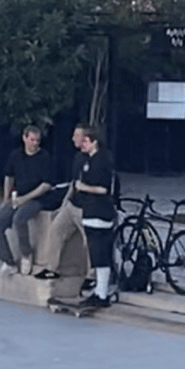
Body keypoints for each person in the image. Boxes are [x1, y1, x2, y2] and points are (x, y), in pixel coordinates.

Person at [34, 123, 91, 284]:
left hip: (87, 208)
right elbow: (74, 182)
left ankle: (91, 275)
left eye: (77, 136)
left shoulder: (97, 158)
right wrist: (64, 203)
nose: (73, 139)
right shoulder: (78, 157)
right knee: (55, 230)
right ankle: (52, 268)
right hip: (72, 204)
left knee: (90, 240)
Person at [0, 125, 52, 275]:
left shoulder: (45, 157)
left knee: (19, 219)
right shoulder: (16, 155)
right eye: (31, 140)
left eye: (37, 140)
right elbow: (9, 176)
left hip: (37, 198)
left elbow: (46, 185)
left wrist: (25, 198)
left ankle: (26, 254)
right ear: (24, 138)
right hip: (17, 196)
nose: (34, 143)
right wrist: (6, 198)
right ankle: (7, 260)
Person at [73, 125, 117, 308]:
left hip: (100, 212)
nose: (82, 144)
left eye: (85, 141)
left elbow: (104, 188)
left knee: (100, 253)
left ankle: (102, 293)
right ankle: (100, 290)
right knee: (96, 255)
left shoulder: (102, 160)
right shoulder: (87, 159)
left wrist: (84, 188)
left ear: (94, 141)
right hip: (90, 212)